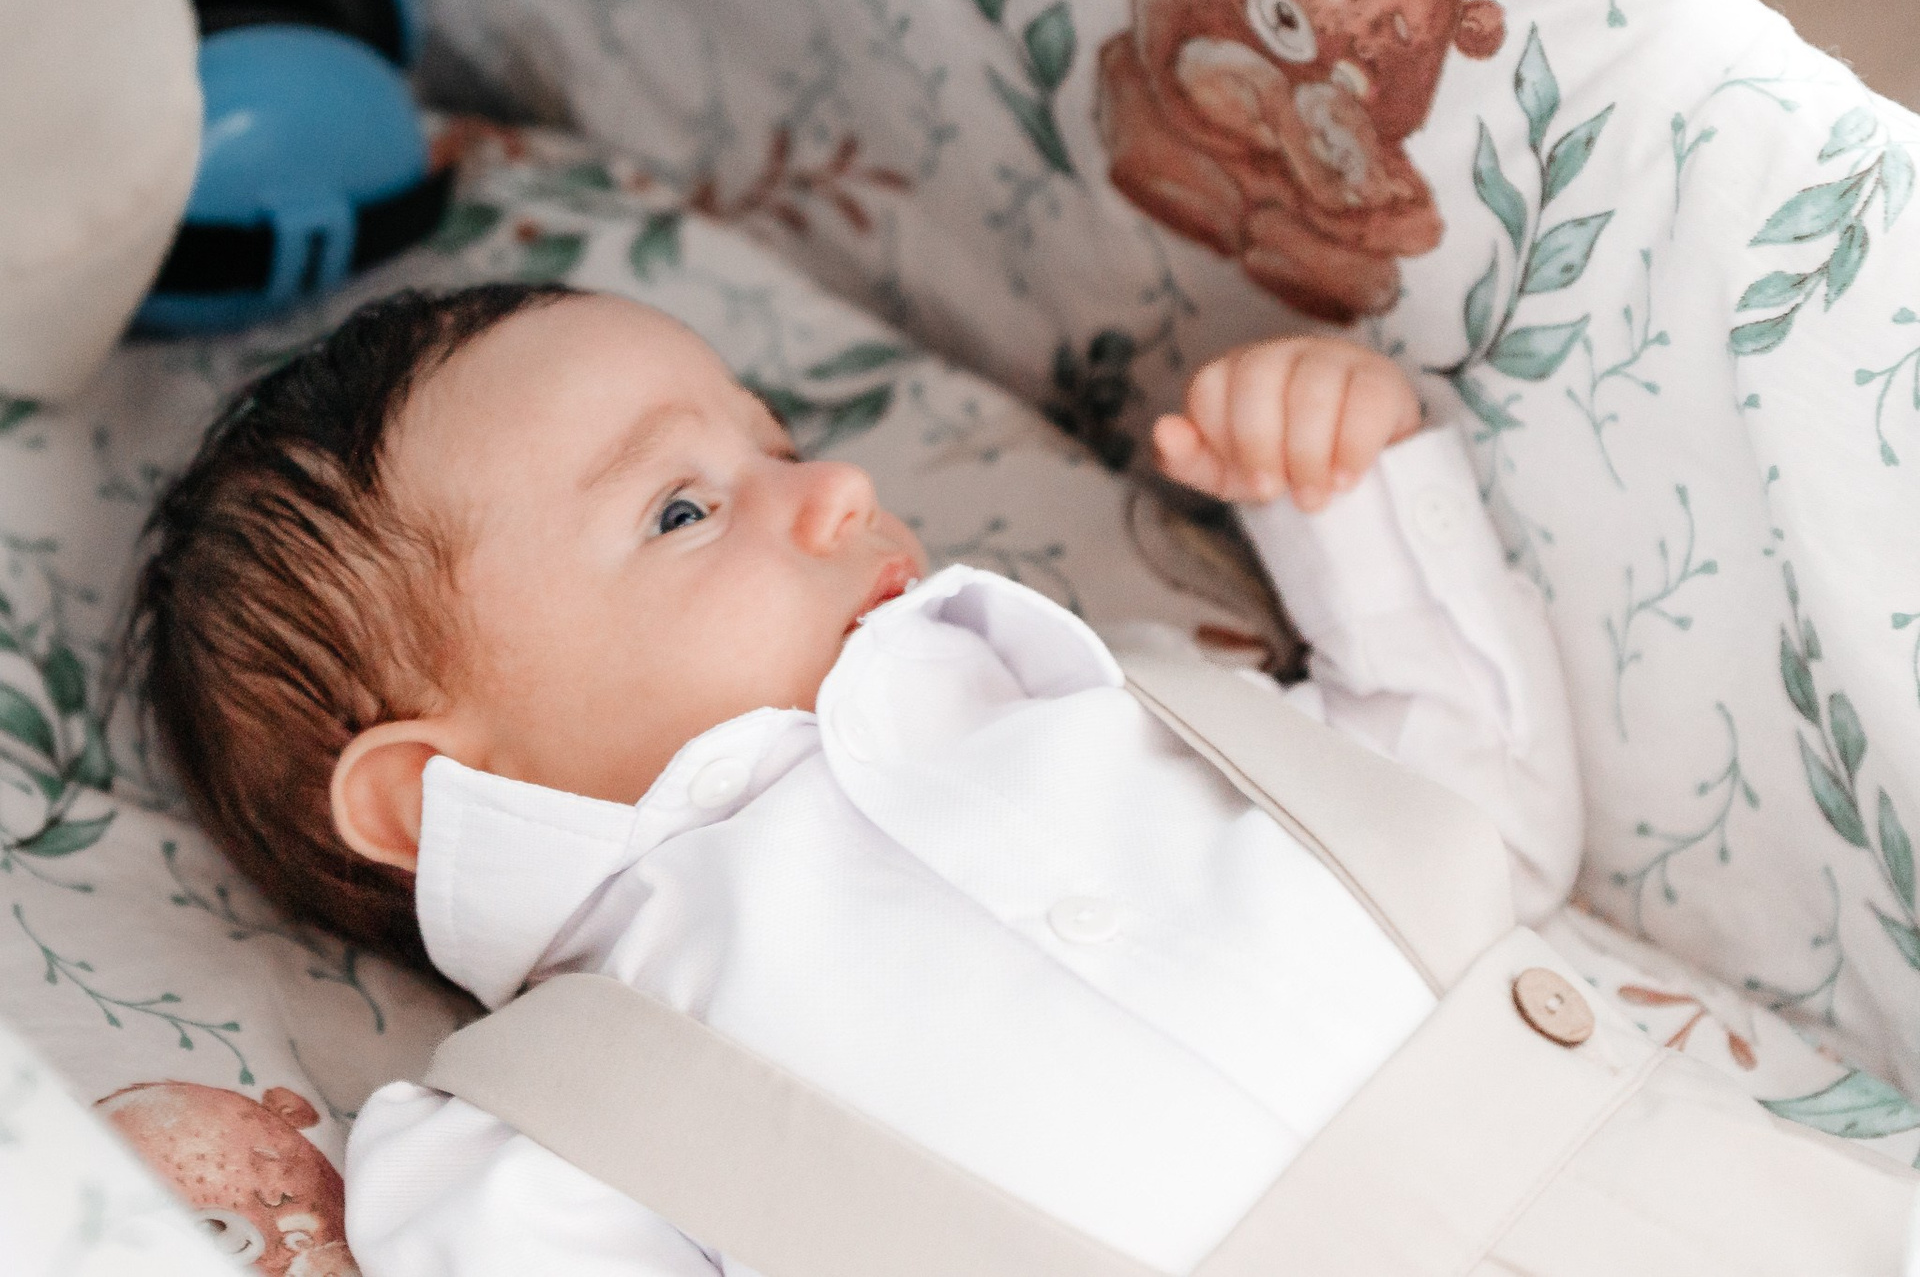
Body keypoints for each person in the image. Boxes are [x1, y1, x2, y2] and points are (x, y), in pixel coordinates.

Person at [127, 284, 1916, 1276]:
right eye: (683, 509)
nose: (832, 486)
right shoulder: (546, 1124)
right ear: (428, 797)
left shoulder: (1100, 701)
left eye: (777, 440)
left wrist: (1350, 498)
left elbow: (1476, 821)